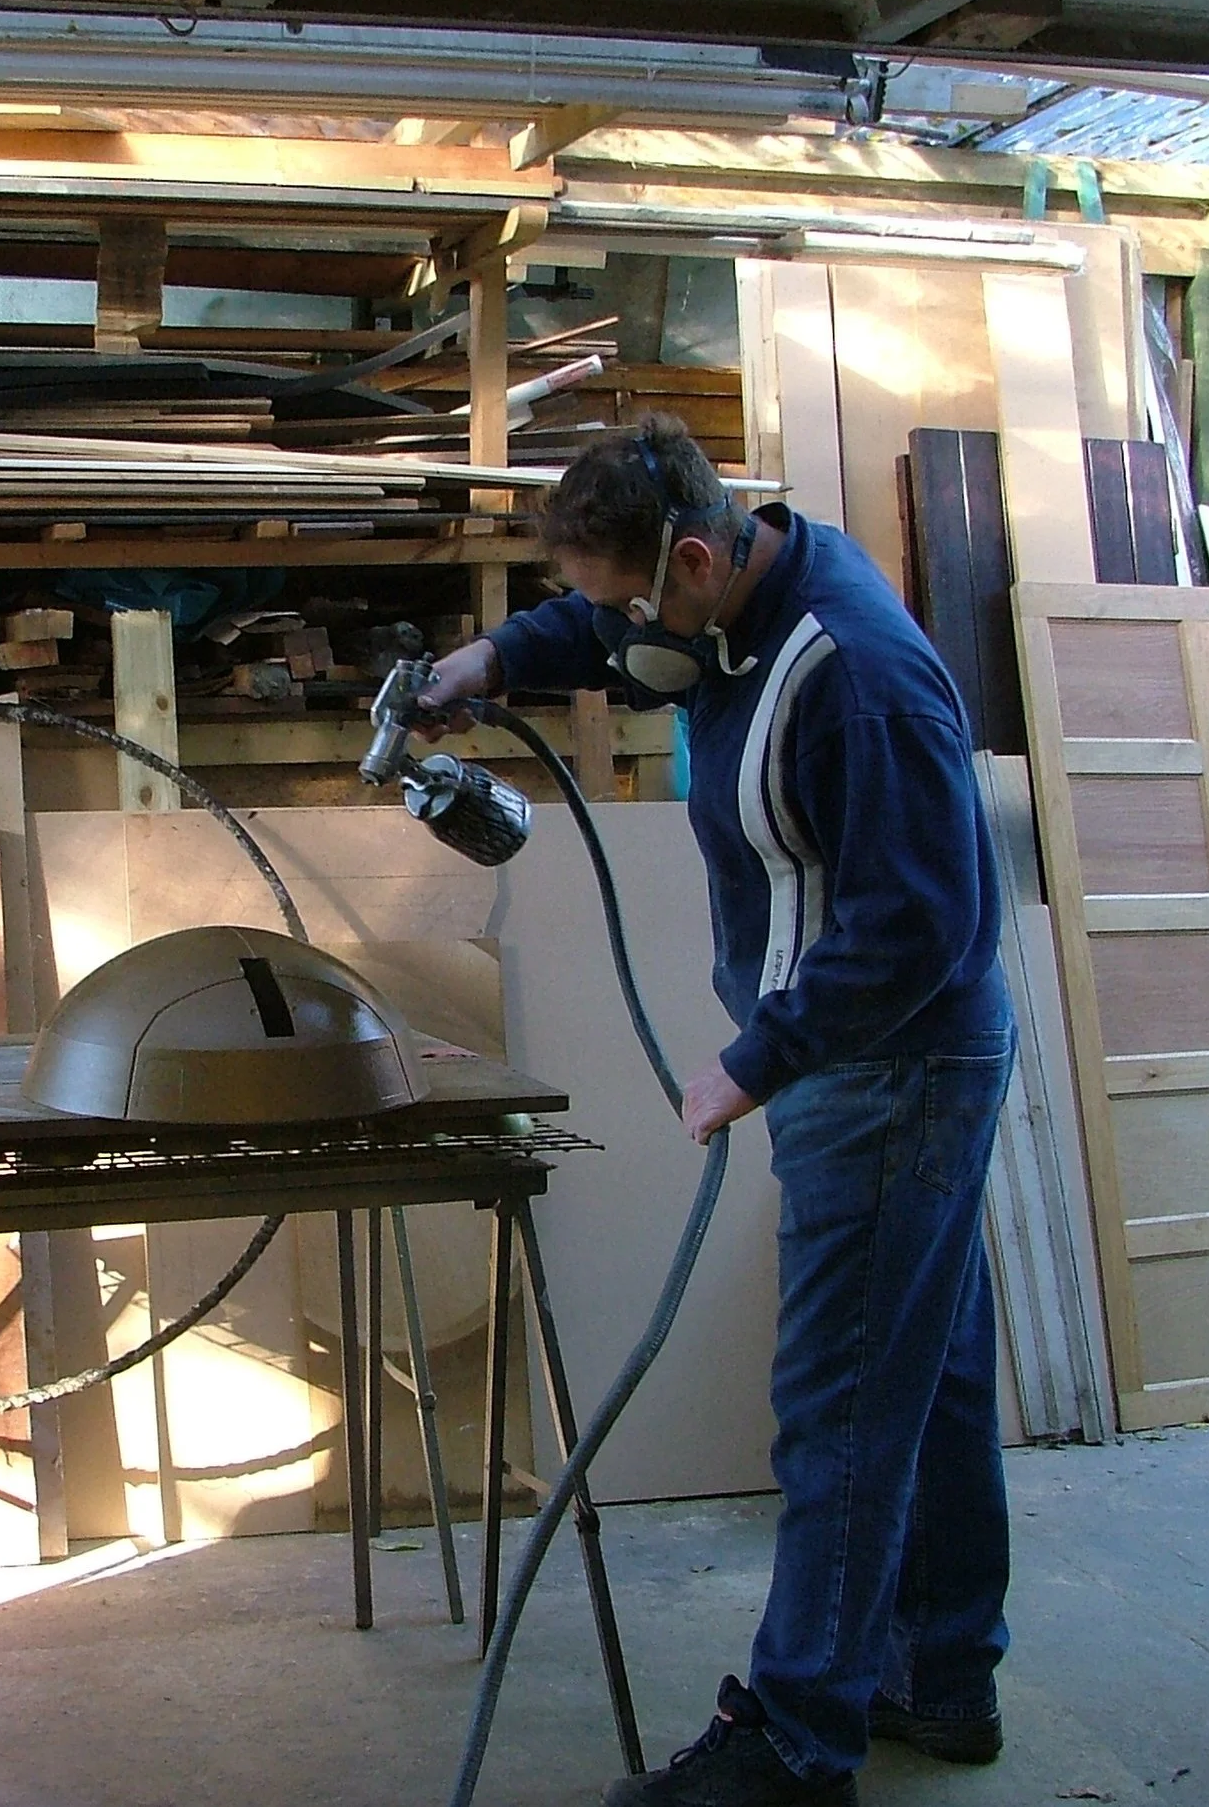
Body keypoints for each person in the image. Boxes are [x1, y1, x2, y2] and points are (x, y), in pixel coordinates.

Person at [418, 415, 1015, 1807]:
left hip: (889, 1062)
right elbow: (603, 629)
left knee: (838, 1405)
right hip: (867, 1054)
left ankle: (797, 1743)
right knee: (930, 1377)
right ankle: (940, 1673)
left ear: (693, 558)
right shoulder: (737, 587)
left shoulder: (857, 678)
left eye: (630, 602)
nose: (618, 632)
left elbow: (922, 924)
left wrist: (760, 1057)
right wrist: (488, 662)